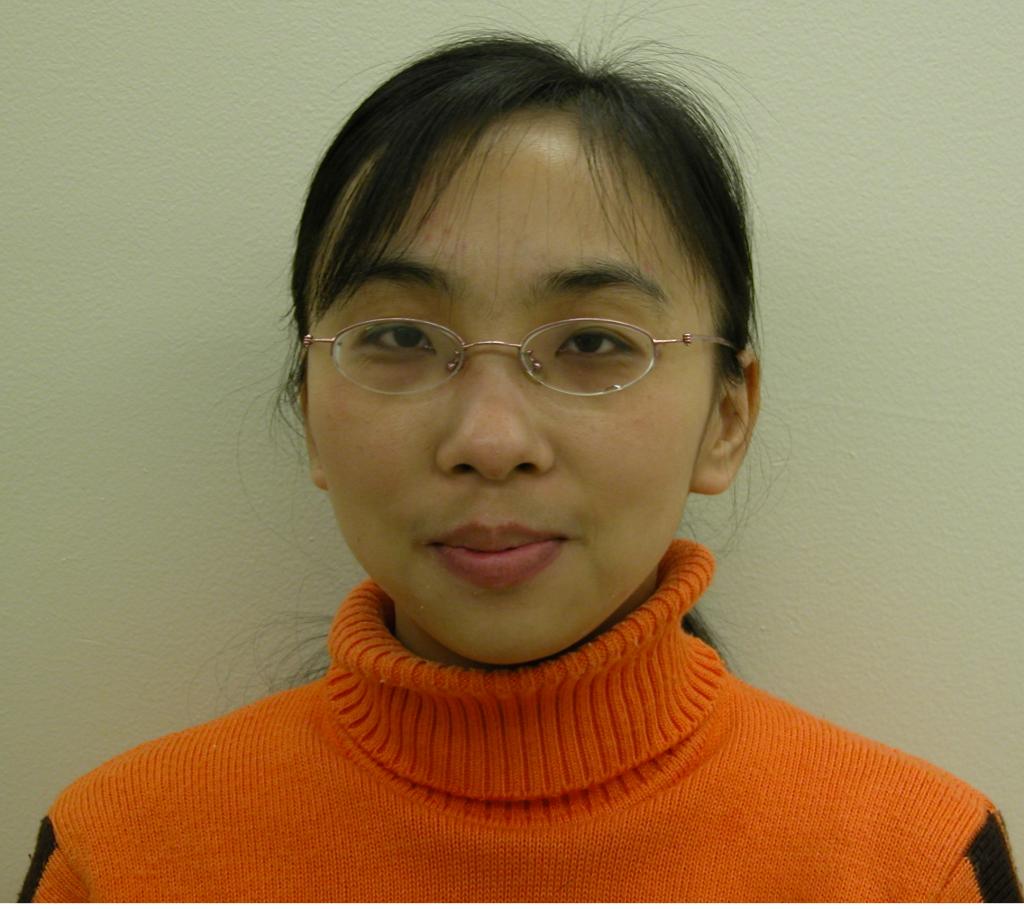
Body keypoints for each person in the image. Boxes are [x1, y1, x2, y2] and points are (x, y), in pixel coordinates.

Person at [19, 32, 1020, 902]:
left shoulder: (909, 863)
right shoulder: (123, 855)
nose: (491, 440)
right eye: (400, 337)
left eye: (592, 344)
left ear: (726, 418)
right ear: (310, 415)